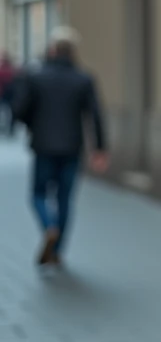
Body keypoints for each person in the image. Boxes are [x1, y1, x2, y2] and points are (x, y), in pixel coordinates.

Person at [9, 28, 109, 268]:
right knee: (65, 198)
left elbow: (19, 109)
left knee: (38, 194)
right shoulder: (84, 78)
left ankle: (48, 226)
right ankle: (58, 248)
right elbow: (95, 115)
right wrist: (100, 148)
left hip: (43, 145)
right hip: (72, 147)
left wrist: (32, 125)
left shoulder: (36, 76)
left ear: (52, 49)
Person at [0, 51, 18, 135]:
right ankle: (11, 127)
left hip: (2, 93)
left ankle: (4, 127)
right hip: (12, 94)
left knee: (3, 110)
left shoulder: (2, 70)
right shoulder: (14, 70)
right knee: (12, 111)